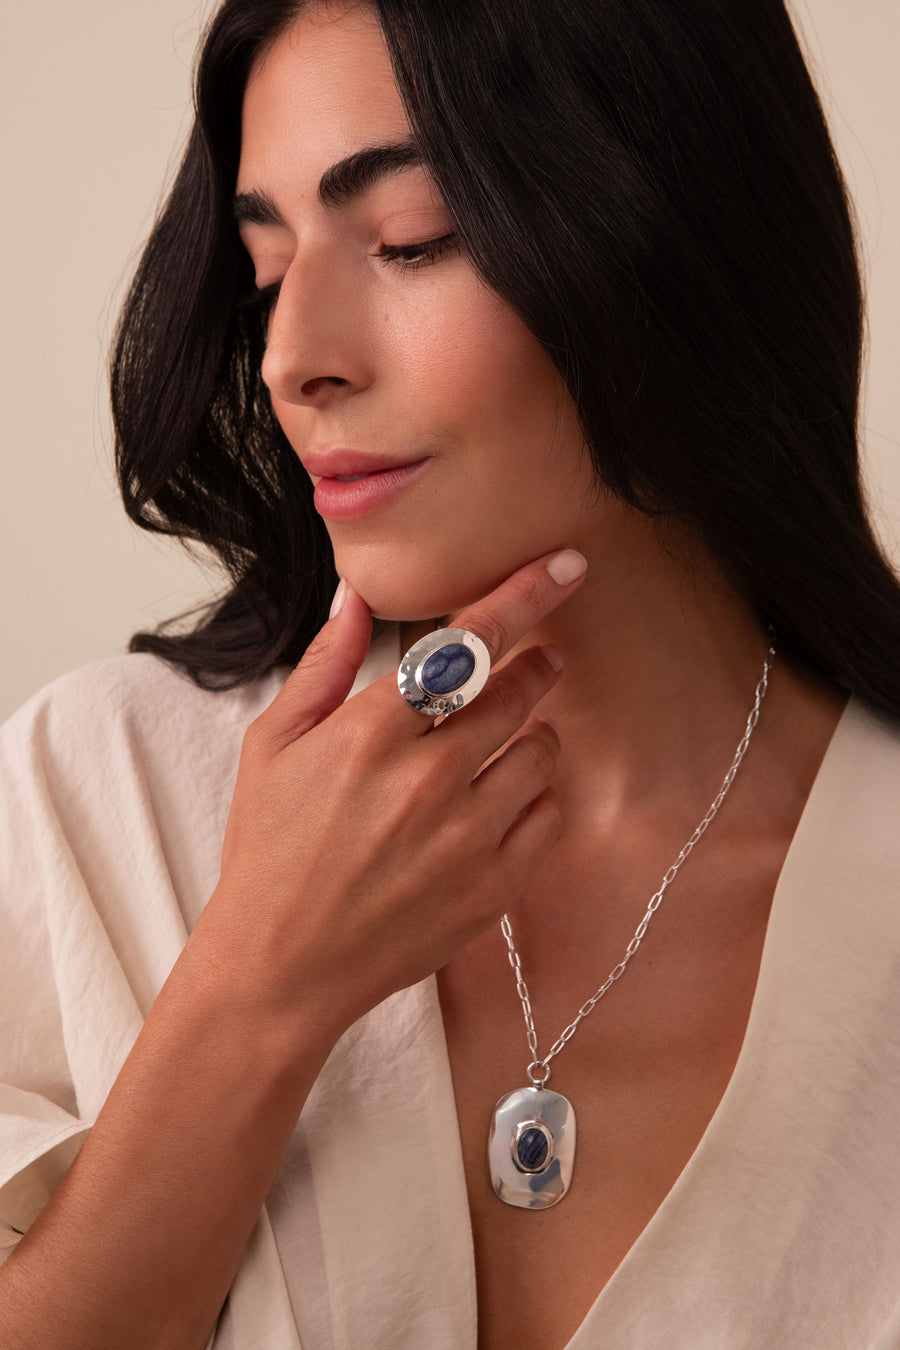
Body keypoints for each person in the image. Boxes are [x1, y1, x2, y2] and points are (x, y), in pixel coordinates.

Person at [1, 0, 899, 1346]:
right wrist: (258, 986)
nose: (297, 358)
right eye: (262, 275)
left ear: (672, 233)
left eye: (411, 241)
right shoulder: (99, 791)